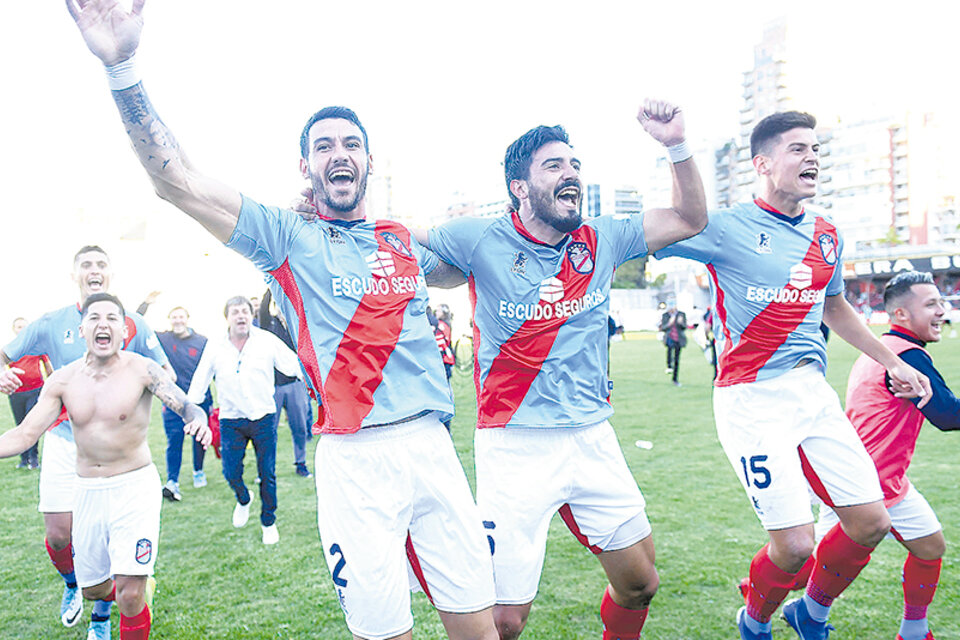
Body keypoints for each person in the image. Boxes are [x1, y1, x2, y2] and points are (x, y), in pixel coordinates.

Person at [66, 3, 497, 638]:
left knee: (479, 631)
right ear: (306, 168)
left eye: (352, 144)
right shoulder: (287, 237)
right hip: (354, 461)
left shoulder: (407, 242)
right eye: (324, 146)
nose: (339, 154)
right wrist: (123, 67)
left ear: (369, 162)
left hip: (434, 448)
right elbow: (177, 181)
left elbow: (473, 265)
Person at [424, 102, 707, 640]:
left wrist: (676, 144)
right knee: (505, 620)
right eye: (554, 166)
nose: (571, 173)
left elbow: (690, 219)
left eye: (574, 164)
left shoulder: (601, 238)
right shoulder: (480, 237)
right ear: (520, 188)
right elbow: (403, 251)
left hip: (592, 435)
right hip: (514, 444)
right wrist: (327, 217)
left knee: (640, 583)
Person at [653, 111, 931, 640]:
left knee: (872, 523)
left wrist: (893, 360)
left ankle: (810, 612)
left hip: (811, 391)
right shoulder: (727, 226)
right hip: (750, 398)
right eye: (798, 149)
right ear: (762, 163)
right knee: (796, 544)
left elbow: (836, 307)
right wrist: (675, 148)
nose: (812, 159)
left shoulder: (826, 235)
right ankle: (754, 621)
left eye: (816, 150)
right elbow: (668, 226)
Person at [0, 293, 211, 640]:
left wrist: (197, 419)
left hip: (134, 487)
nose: (103, 324)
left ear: (124, 330)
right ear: (82, 329)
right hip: (87, 491)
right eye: (95, 318)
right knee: (95, 589)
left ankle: (136, 591)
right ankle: (141, 587)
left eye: (113, 318)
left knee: (128, 593)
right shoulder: (62, 381)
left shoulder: (142, 370)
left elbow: (186, 405)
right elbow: (25, 434)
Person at [812, 271, 959, 640]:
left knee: (930, 546)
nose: (942, 310)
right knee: (807, 565)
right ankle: (763, 602)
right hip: (865, 482)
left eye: (941, 302)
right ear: (901, 316)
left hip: (879, 476)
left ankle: (914, 632)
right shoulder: (908, 357)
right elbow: (947, 415)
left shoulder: (885, 347)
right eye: (931, 304)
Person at [187, 296, 300, 544]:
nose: (241, 316)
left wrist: (315, 381)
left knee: (267, 472)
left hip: (264, 418)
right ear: (227, 318)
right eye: (235, 312)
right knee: (230, 471)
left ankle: (268, 521)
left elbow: (294, 365)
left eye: (245, 312)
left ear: (251, 315)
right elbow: (200, 379)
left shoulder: (266, 341)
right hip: (231, 420)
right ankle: (243, 498)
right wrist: (190, 408)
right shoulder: (216, 345)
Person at [156, 306, 213, 501]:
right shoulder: (164, 339)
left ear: (187, 319)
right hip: (173, 402)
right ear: (169, 320)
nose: (177, 320)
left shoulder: (202, 341)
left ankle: (199, 471)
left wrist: (211, 402)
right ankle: (172, 481)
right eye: (174, 317)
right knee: (174, 441)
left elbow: (210, 371)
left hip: (199, 400)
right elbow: (138, 323)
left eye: (181, 317)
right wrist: (146, 302)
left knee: (199, 440)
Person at [258, 289, 312, 478]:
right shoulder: (268, 325)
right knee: (269, 429)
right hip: (273, 386)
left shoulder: (296, 325)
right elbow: (264, 308)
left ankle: (301, 463)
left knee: (300, 427)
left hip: (295, 385)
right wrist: (273, 285)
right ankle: (266, 468)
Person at [6, 317, 52, 470]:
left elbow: (47, 366)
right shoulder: (11, 348)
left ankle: (34, 459)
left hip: (35, 390)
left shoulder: (37, 347)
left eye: (24, 327)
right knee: (20, 425)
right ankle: (23, 459)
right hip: (16, 392)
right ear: (14, 330)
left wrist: (53, 383)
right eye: (19, 327)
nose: (22, 329)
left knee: (32, 425)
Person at [658, 301, 687, 386]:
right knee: (670, 351)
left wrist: (680, 323)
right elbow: (663, 327)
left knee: (677, 359)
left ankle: (675, 378)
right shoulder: (665, 315)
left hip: (678, 339)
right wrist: (669, 324)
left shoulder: (681, 314)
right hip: (669, 338)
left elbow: (684, 327)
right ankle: (669, 366)